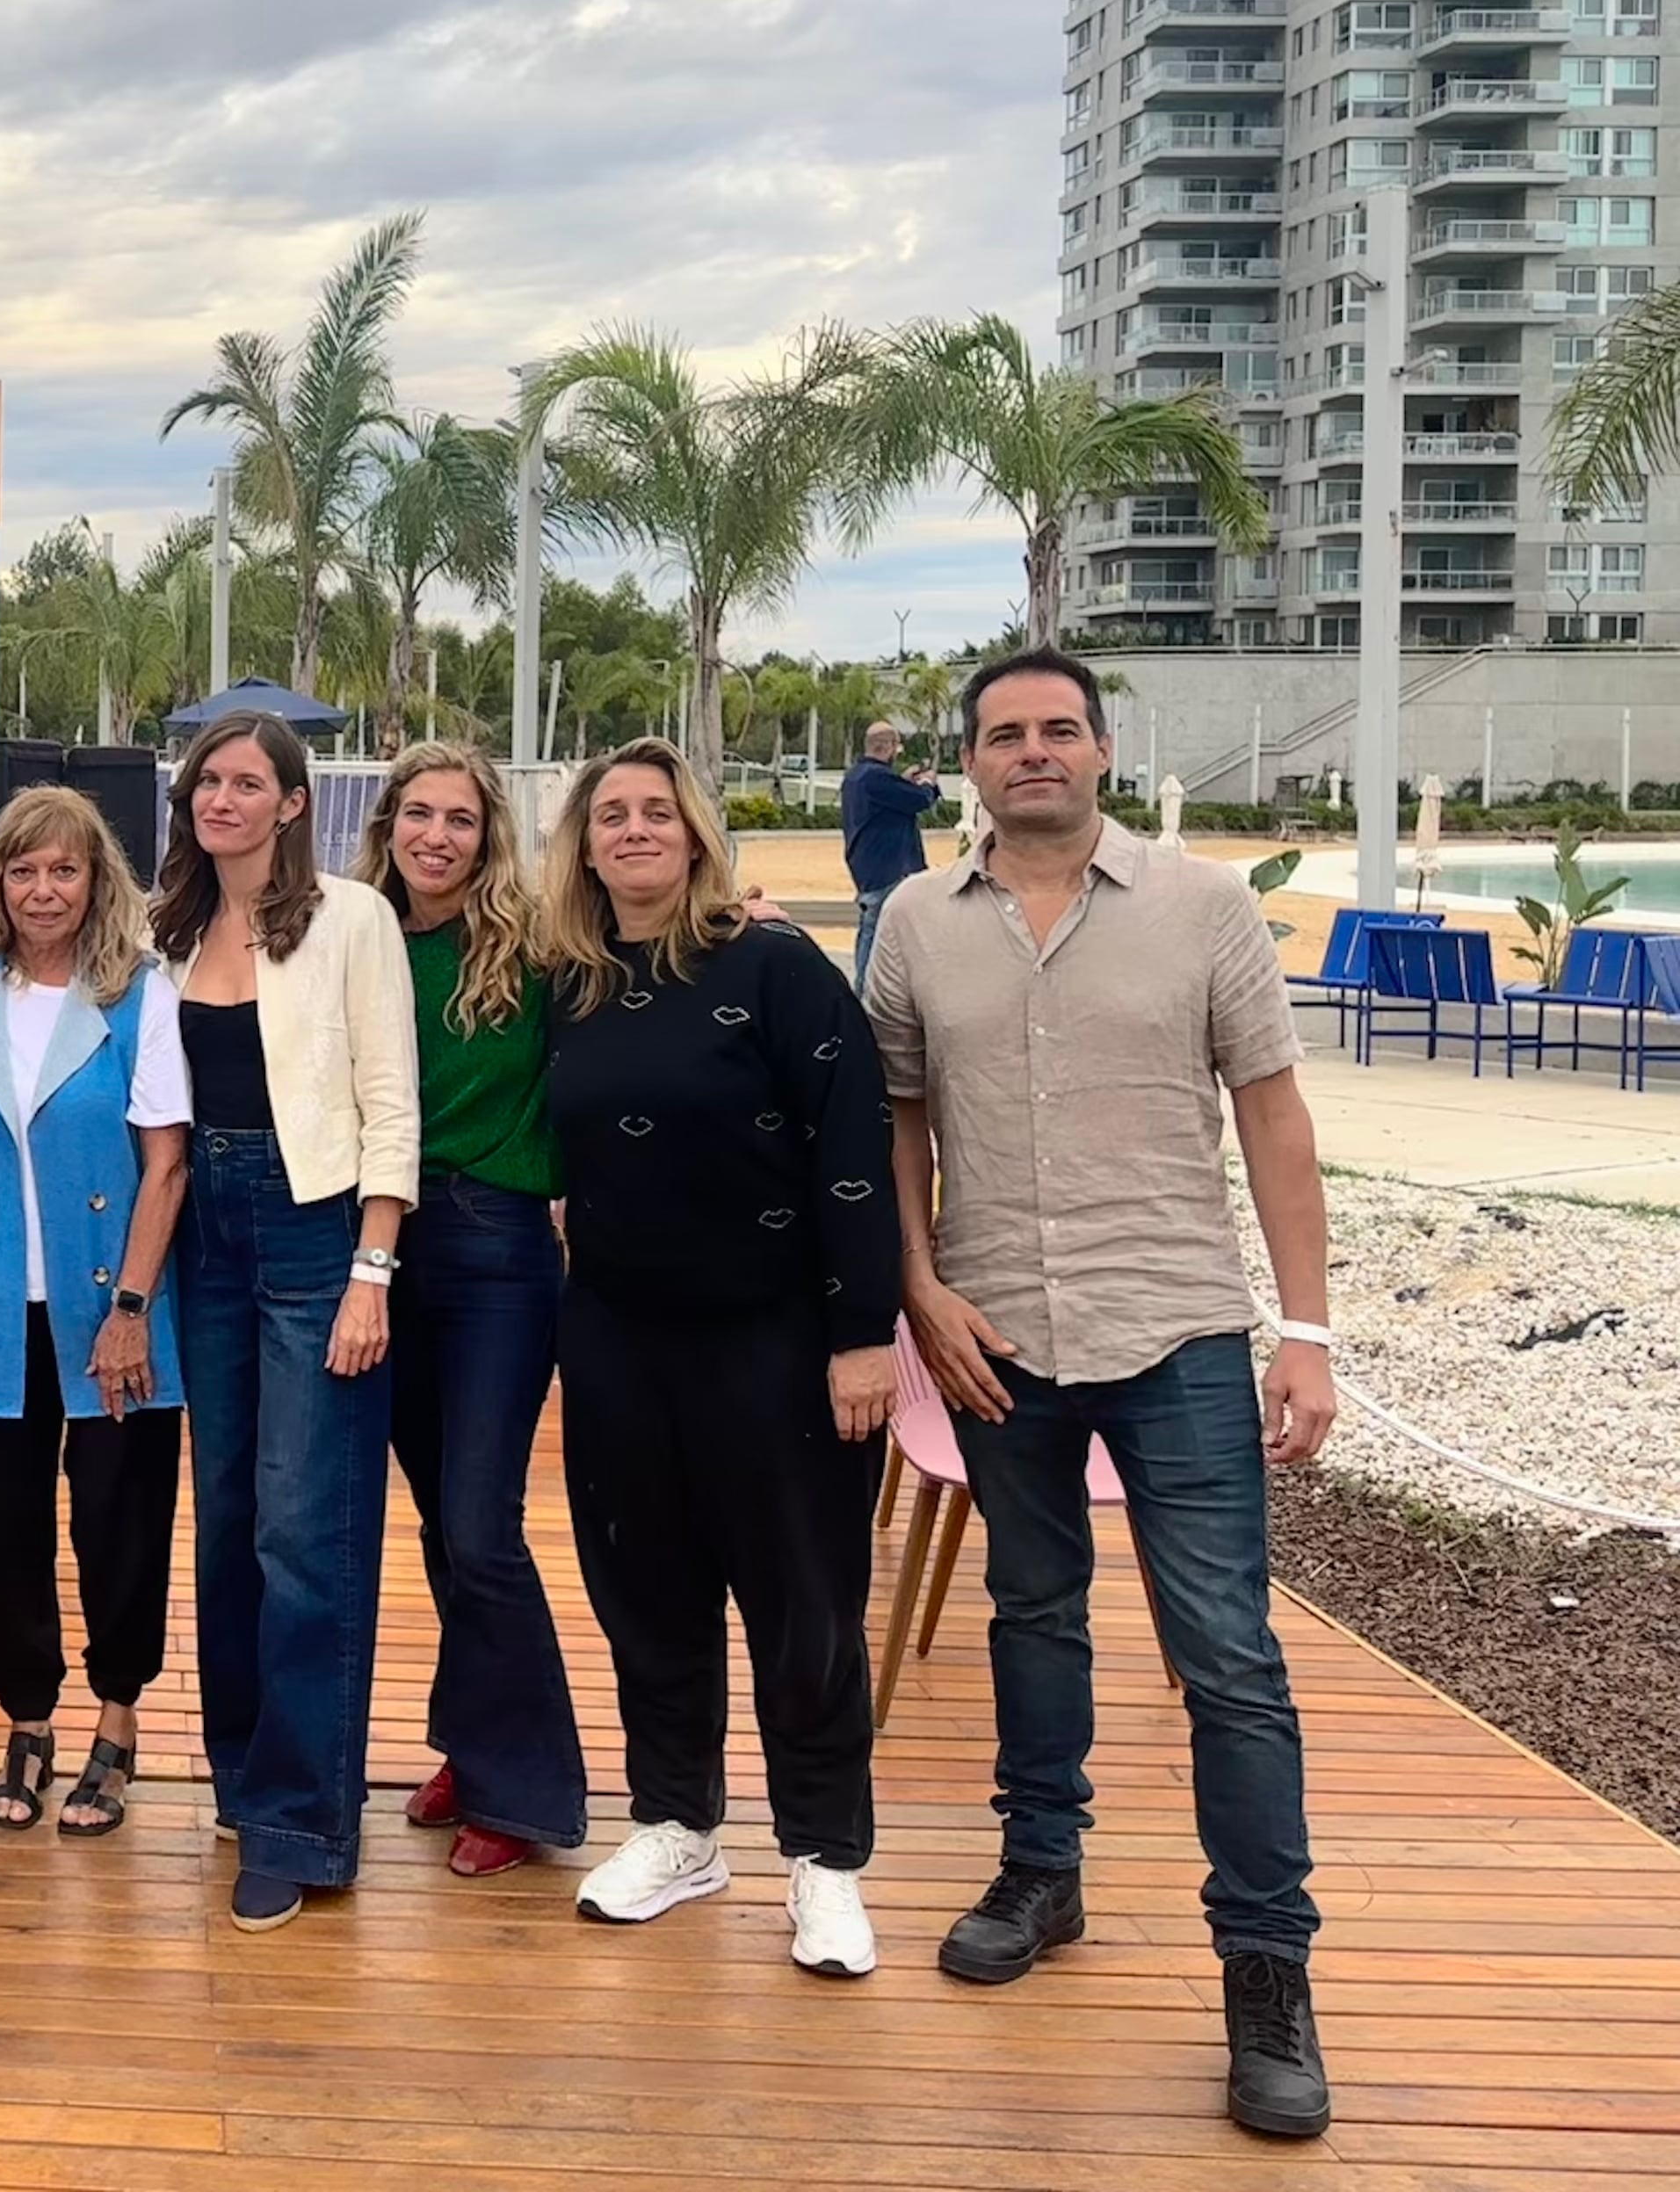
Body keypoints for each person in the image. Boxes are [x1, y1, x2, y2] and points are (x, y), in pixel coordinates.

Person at [870, 647, 1338, 2142]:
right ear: (969, 762)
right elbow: (892, 1121)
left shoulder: (1203, 908)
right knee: (1030, 1610)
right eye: (1002, 733)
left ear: (1100, 747)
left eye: (1056, 728)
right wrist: (918, 1285)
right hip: (997, 1335)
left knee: (1228, 1658)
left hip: (1177, 1327)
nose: (1031, 752)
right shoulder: (913, 923)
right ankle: (1040, 1866)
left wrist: (1307, 1328)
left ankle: (1265, 1971)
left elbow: (1270, 1111)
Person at [534, 737, 897, 1979]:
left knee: (804, 1607)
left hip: (779, 1340)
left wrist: (863, 1337)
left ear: (694, 833)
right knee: (648, 1596)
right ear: (583, 845)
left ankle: (824, 1860)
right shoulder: (563, 982)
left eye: (656, 813)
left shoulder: (776, 966)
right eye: (610, 815)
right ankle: (680, 1827)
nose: (633, 831)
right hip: (620, 1338)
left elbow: (855, 1154)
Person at [151, 711, 418, 1932]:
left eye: (248, 782)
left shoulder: (352, 920)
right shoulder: (166, 929)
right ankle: (244, 1770)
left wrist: (373, 1269)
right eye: (209, 780)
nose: (223, 799)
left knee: (309, 1533)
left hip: (318, 1231)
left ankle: (304, 1822)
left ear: (295, 804)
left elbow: (388, 1103)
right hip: (205, 1222)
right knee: (230, 1523)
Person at [0, 786, 191, 1836]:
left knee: (121, 1525)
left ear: (97, 883)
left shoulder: (141, 994)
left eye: (65, 871)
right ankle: (27, 1721)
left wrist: (130, 1305)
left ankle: (117, 1723)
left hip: (108, 1310)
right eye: (23, 870)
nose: (43, 890)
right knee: (13, 1534)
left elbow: (163, 1168)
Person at [353, 743, 587, 1883]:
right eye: (417, 814)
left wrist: (751, 921)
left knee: (484, 1527)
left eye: (460, 819)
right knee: (443, 1528)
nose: (436, 836)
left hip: (497, 1248)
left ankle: (526, 1790)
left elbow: (651, 959)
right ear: (387, 823)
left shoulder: (535, 947)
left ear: (487, 836)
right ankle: (474, 1737)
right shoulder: (351, 939)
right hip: (379, 1251)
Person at [841, 720, 941, 994]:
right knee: (882, 939)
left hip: (868, 869)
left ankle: (863, 996)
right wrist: (927, 784)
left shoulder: (856, 776)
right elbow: (919, 800)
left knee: (870, 934)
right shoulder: (878, 779)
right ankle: (870, 998)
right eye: (896, 747)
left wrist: (903, 782)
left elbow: (892, 798)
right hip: (891, 871)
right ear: (887, 747)